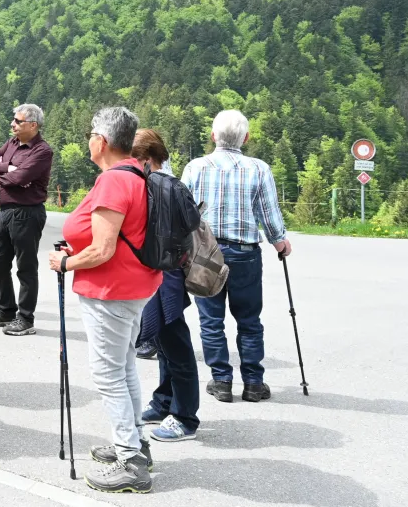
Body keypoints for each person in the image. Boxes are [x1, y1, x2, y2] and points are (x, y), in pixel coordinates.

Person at [48, 107, 160, 494]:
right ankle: (135, 443)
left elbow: (103, 250)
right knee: (124, 366)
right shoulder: (136, 174)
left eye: (91, 134)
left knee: (109, 373)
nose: (88, 140)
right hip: (134, 286)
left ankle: (130, 460)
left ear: (103, 141)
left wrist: (65, 262)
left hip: (111, 290)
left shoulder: (114, 181)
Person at [182, 110, 291, 404]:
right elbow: (268, 213)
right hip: (245, 254)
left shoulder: (196, 167)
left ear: (213, 136)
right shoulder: (259, 169)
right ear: (246, 137)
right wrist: (280, 242)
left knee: (211, 320)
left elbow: (184, 213)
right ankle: (254, 383)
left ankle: (221, 381)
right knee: (249, 320)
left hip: (205, 254)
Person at [132, 129, 199, 442]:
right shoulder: (170, 185)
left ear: (145, 159)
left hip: (164, 275)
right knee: (164, 342)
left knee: (176, 345)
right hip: (167, 272)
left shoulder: (158, 186)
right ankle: (163, 402)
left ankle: (185, 417)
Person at [0, 103, 52, 336]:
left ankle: (25, 318)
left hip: (27, 213)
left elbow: (21, 178)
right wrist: (9, 168)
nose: (12, 124)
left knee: (26, 267)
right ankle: (6, 310)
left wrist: (5, 175)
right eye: (13, 119)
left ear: (33, 125)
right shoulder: (11, 143)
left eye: (17, 121)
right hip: (4, 212)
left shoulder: (42, 150)